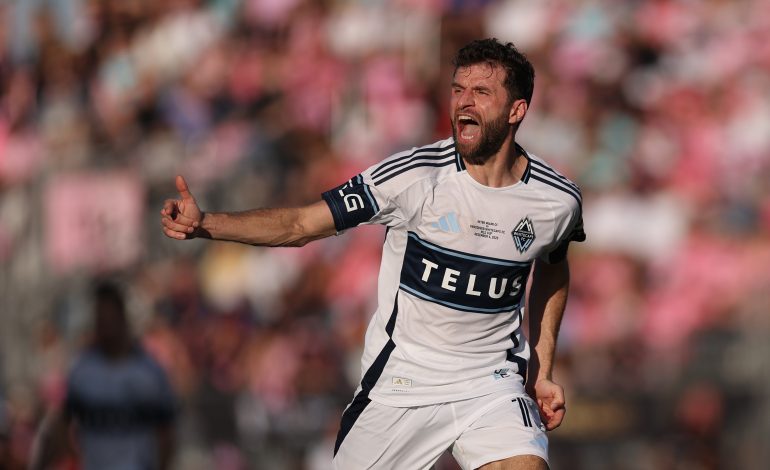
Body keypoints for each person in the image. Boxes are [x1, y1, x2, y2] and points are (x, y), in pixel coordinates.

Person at [161, 38, 584, 470]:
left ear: (516, 110)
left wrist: (540, 370)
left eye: (481, 92)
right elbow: (300, 225)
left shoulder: (556, 201)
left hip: (491, 384)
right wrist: (207, 223)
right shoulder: (414, 177)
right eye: (458, 89)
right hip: (403, 384)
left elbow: (553, 266)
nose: (464, 102)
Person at [30, 281, 177, 470]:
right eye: (101, 319)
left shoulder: (148, 371)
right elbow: (63, 420)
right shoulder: (83, 371)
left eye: (110, 318)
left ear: (122, 317)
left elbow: (166, 430)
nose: (106, 326)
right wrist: (73, 455)